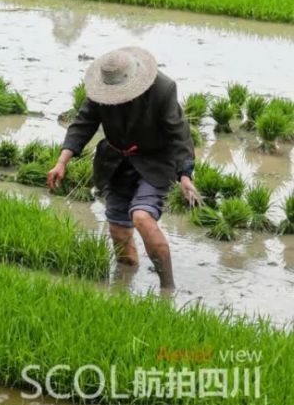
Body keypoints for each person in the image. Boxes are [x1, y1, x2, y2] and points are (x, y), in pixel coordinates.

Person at [47, 47, 198, 291]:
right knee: (118, 230)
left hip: (155, 162)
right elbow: (83, 124)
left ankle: (167, 289)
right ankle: (123, 287)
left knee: (142, 216)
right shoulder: (99, 89)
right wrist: (62, 162)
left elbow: (179, 134)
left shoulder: (163, 89)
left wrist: (185, 175)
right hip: (115, 161)